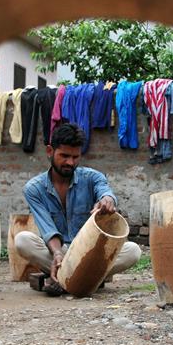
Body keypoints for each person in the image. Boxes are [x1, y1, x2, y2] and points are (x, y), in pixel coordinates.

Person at [15, 122, 141, 293]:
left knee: (133, 251)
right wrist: (58, 254)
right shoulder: (34, 189)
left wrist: (107, 199)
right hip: (59, 251)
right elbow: (47, 229)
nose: (70, 162)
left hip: (89, 252)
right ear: (50, 151)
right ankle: (83, 277)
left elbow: (105, 190)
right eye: (64, 156)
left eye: (75, 157)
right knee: (23, 240)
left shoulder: (92, 177)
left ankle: (67, 279)